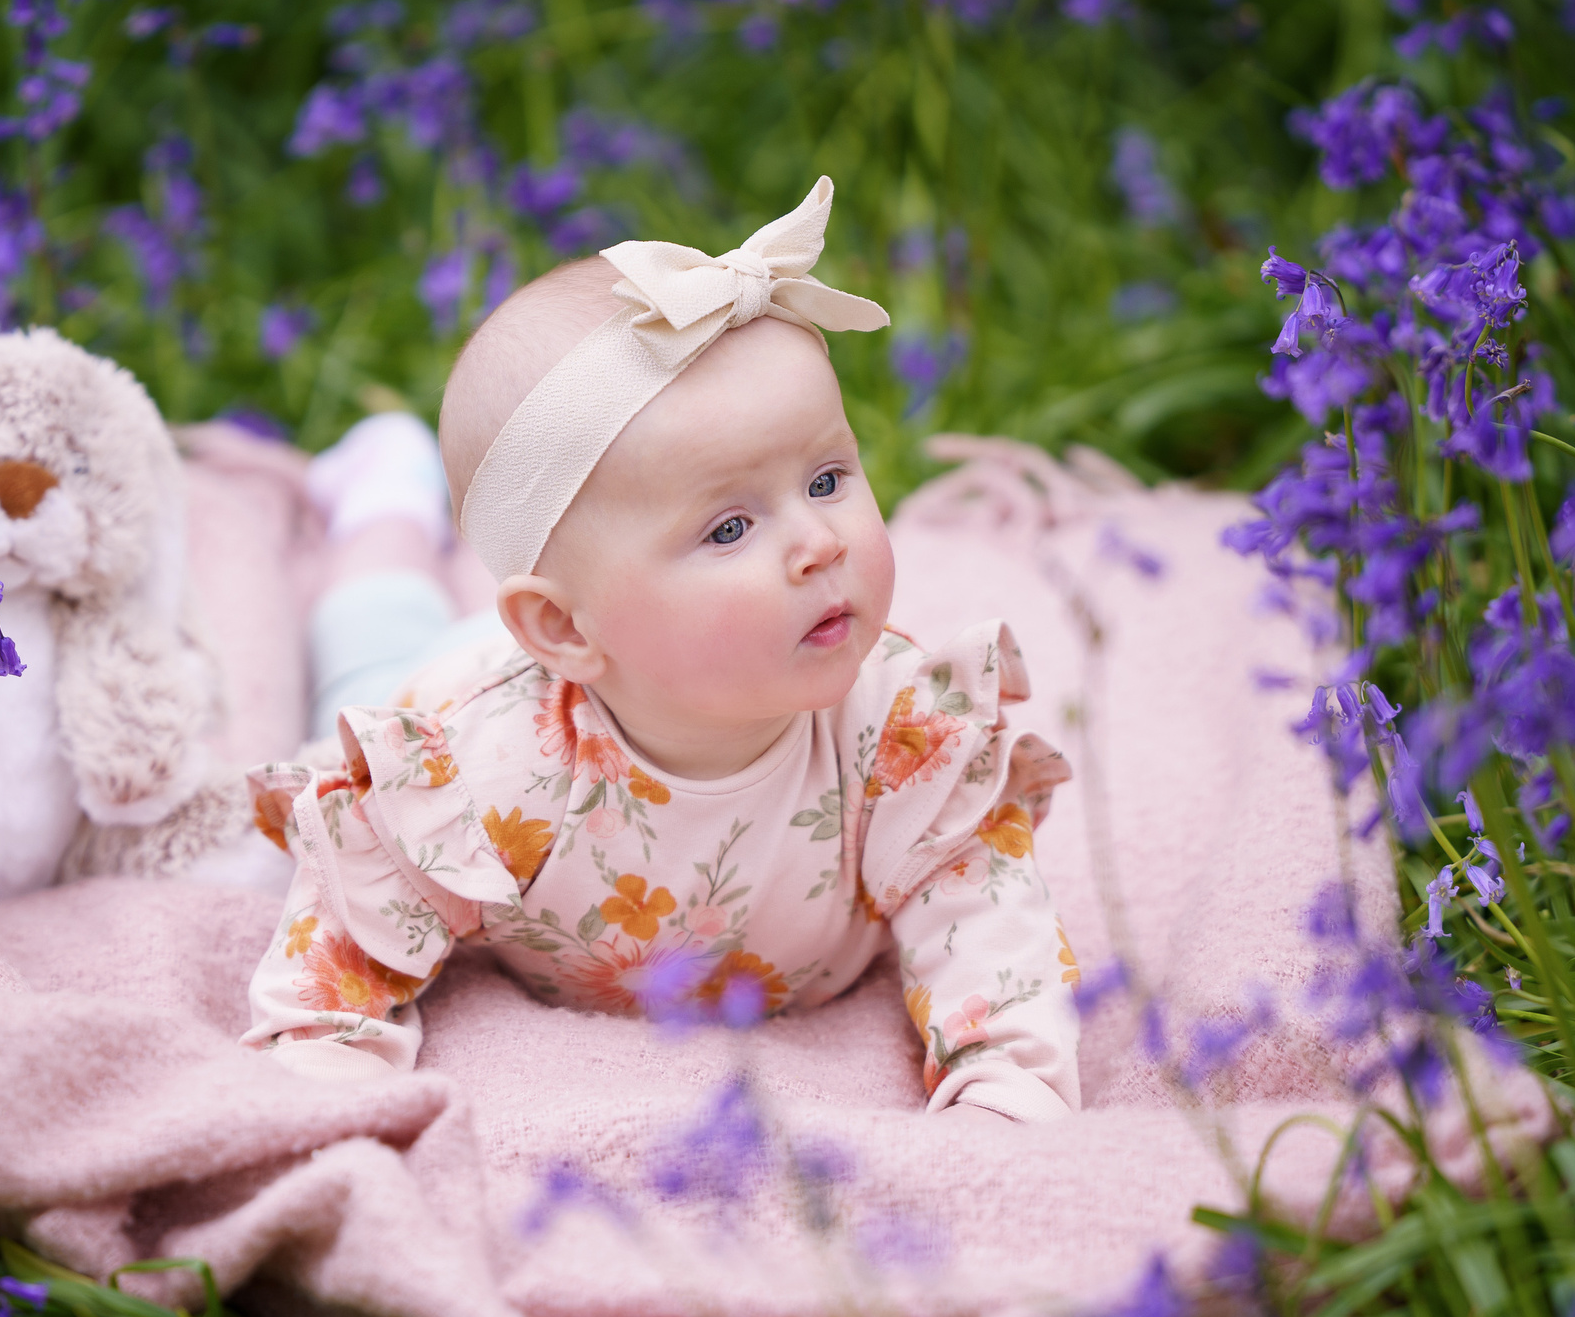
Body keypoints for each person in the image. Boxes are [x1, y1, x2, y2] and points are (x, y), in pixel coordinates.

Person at [243, 179, 1080, 1126]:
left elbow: (989, 927)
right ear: (565, 628)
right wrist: (328, 1075)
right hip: (459, 671)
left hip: (583, 649)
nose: (820, 542)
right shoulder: (478, 773)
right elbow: (342, 947)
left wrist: (1005, 1088)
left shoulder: (902, 735)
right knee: (373, 629)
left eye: (826, 478)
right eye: (730, 527)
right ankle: (382, 493)